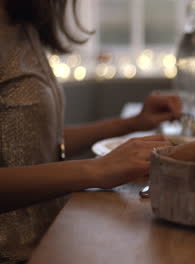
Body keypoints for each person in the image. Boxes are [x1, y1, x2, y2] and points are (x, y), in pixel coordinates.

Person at [0, 0, 181, 262]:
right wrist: (96, 170)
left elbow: (34, 142)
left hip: (51, 239)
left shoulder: (19, 19)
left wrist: (130, 124)